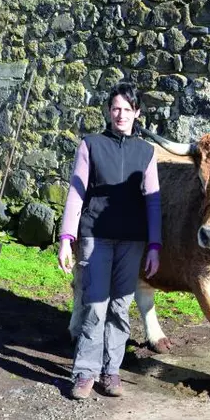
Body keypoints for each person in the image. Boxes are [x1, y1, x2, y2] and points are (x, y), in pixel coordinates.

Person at [58, 82, 162, 400]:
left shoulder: (146, 152)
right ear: (109, 111)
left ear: (137, 113)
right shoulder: (91, 145)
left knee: (119, 308)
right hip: (96, 237)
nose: (121, 114)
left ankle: (111, 372)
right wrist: (66, 238)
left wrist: (155, 245)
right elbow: (76, 193)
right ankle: (85, 373)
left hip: (131, 241)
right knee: (95, 306)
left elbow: (153, 201)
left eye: (127, 109)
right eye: (116, 108)